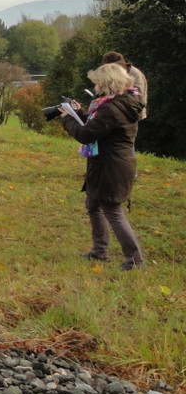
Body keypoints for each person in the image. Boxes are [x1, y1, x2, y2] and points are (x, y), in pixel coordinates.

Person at [60, 63, 145, 270]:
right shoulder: (122, 103)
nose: (95, 86)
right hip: (110, 164)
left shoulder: (111, 109)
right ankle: (100, 251)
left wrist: (68, 120)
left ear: (107, 83)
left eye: (97, 82)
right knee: (93, 204)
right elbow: (96, 126)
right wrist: (79, 113)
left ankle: (135, 260)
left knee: (112, 211)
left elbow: (86, 134)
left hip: (111, 167)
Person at [101, 51, 148, 120]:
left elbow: (137, 96)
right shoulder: (116, 74)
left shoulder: (135, 75)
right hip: (120, 113)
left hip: (134, 115)